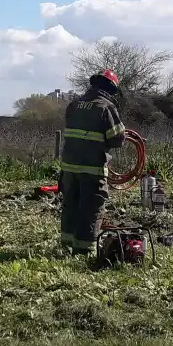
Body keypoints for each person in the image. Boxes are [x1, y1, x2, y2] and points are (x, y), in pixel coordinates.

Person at [59, 69, 126, 255]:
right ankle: (84, 249)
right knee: (90, 207)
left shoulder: (73, 105)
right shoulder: (106, 107)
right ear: (110, 89)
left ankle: (66, 243)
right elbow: (117, 139)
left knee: (71, 204)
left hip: (69, 167)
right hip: (92, 167)